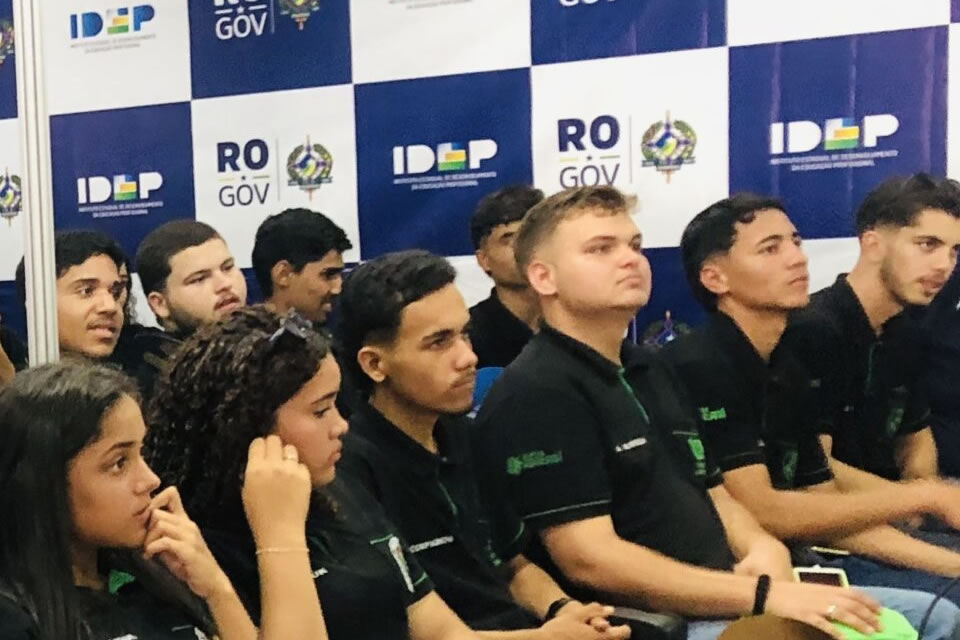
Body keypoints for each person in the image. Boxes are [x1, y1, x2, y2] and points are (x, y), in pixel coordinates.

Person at [472, 185, 960, 640]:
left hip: (732, 587)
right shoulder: (539, 391)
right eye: (601, 249)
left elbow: (717, 492)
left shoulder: (647, 366)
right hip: (658, 618)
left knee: (935, 618)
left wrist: (762, 550)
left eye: (634, 245)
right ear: (543, 276)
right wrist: (764, 594)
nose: (629, 260)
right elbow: (591, 561)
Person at [148, 306, 564, 640]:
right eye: (319, 410)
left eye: (336, 404)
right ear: (244, 428)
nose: (341, 425)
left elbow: (443, 632)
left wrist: (553, 635)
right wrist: (280, 535)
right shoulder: (197, 545)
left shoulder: (340, 486)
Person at [663, 192, 960, 602]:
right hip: (727, 574)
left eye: (796, 243)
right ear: (715, 279)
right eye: (771, 249)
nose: (796, 259)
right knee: (941, 610)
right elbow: (763, 510)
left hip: (806, 554)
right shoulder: (700, 364)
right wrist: (924, 496)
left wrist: (947, 560)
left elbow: (823, 505)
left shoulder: (785, 364)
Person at [336, 250, 628, 639]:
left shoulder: (464, 436)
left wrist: (567, 610)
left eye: (465, 333)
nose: (468, 357)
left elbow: (512, 565)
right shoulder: (348, 469)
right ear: (375, 365)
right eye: (439, 342)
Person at [0, 361, 326, 640]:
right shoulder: (15, 619)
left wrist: (216, 589)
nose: (151, 480)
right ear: (46, 483)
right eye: (118, 463)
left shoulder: (158, 574)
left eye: (140, 453)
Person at [782, 174, 960, 484]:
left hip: (897, 507)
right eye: (927, 245)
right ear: (873, 245)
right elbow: (813, 469)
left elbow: (915, 441)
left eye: (954, 250)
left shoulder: (907, 333)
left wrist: (925, 493)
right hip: (829, 518)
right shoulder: (812, 331)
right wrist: (922, 501)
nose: (944, 265)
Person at [132, 220, 247, 397]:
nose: (225, 284)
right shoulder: (151, 388)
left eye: (228, 267)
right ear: (159, 304)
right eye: (199, 279)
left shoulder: (273, 350)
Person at [15, 230, 126, 362]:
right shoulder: (17, 380)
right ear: (39, 303)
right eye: (87, 291)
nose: (110, 306)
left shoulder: (144, 375)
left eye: (115, 293)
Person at [468, 186, 544, 368]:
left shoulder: (579, 327)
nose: (523, 248)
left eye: (533, 236)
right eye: (509, 240)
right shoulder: (467, 336)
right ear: (484, 260)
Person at [252, 208, 352, 327]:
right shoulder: (251, 344)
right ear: (283, 275)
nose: (338, 288)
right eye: (328, 275)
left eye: (339, 275)